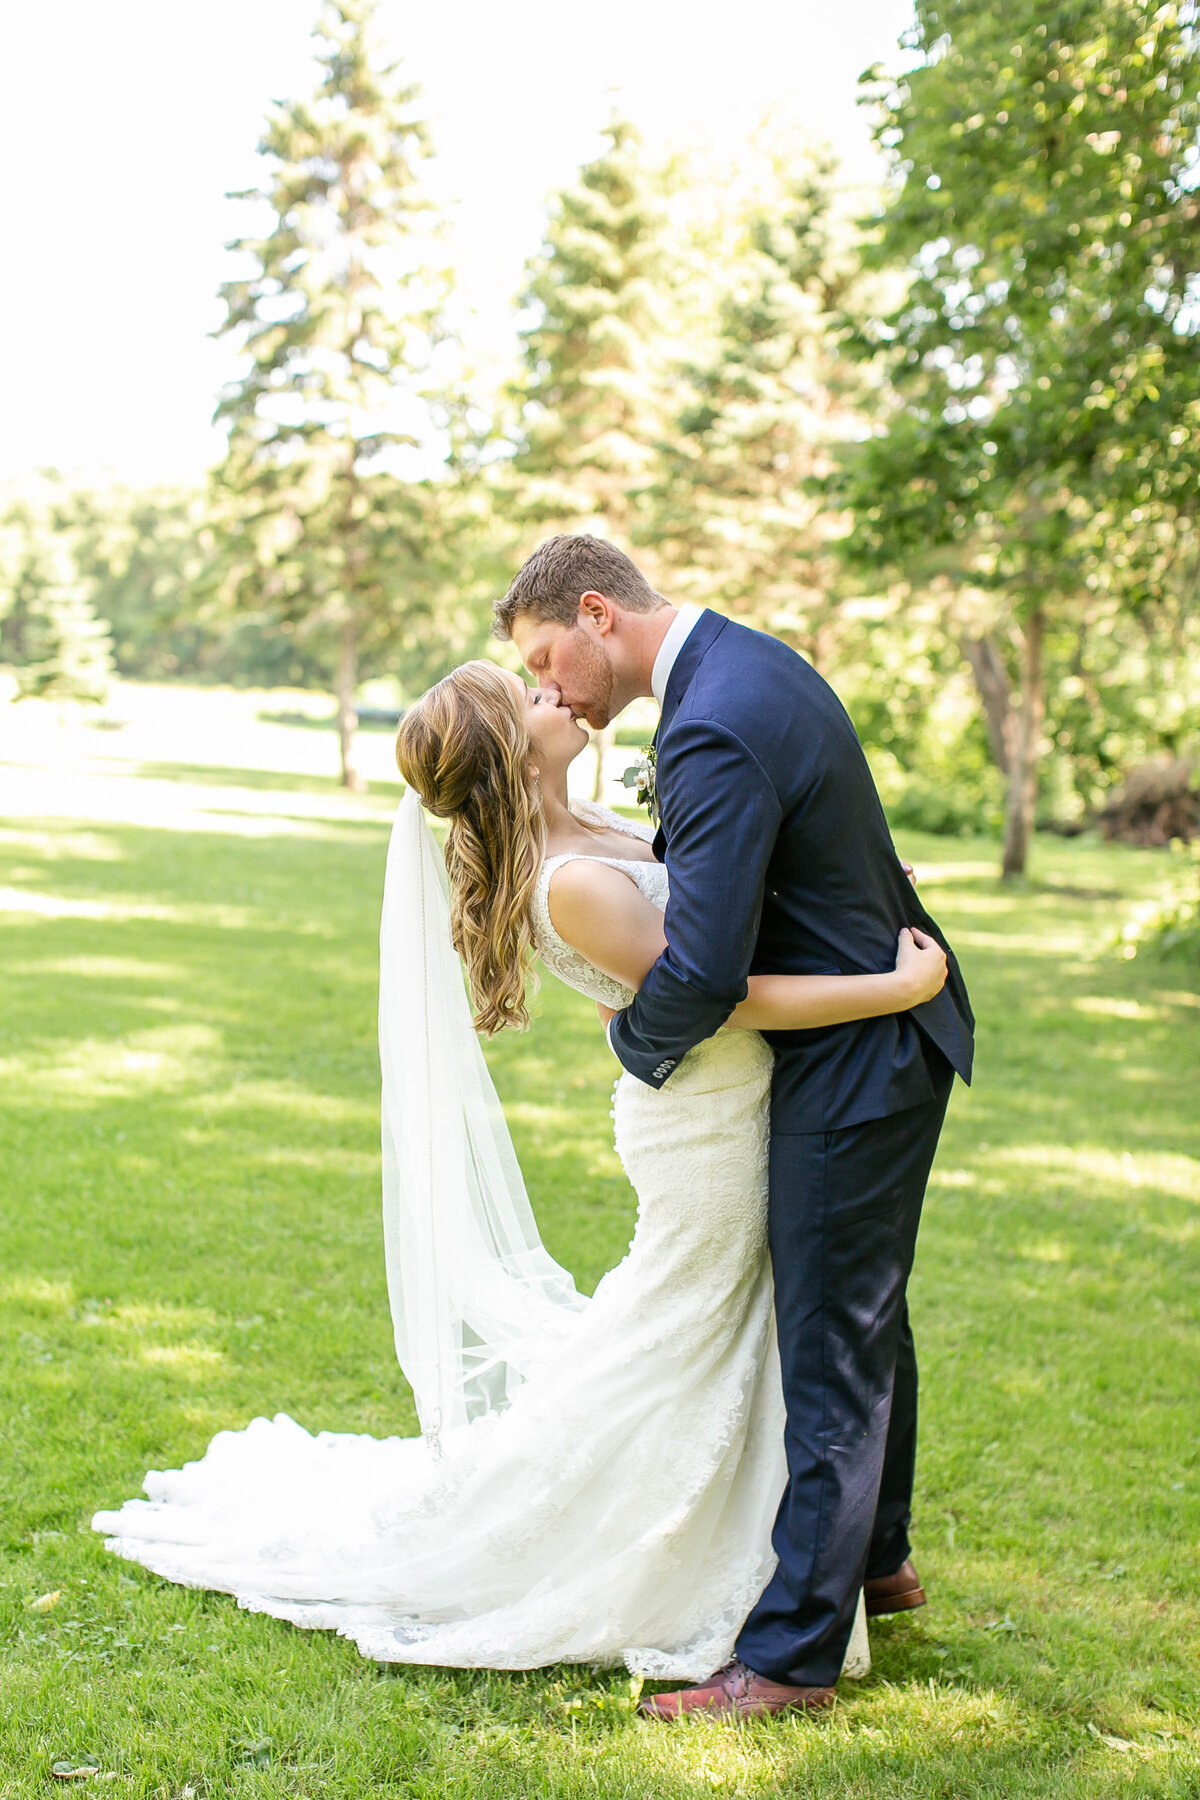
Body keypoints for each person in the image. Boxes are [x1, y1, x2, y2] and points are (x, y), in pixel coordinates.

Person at [92, 637, 950, 1692]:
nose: (553, 691)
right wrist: (888, 991)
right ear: (512, 749)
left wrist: (851, 891)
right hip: (708, 1129)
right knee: (685, 1333)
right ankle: (700, 1548)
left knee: (738, 1330)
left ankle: (835, 1551)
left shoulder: (592, 831)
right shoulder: (571, 881)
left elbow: (725, 906)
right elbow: (720, 992)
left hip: (727, 1095)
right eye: (529, 693)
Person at [496, 536, 974, 1718]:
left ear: (597, 613)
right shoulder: (753, 664)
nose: (551, 688)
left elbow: (701, 971)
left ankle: (791, 1660)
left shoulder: (707, 724)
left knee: (829, 1345)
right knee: (863, 1312)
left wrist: (631, 1039)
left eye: (548, 658)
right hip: (871, 1045)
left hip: (853, 1064)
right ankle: (878, 1558)